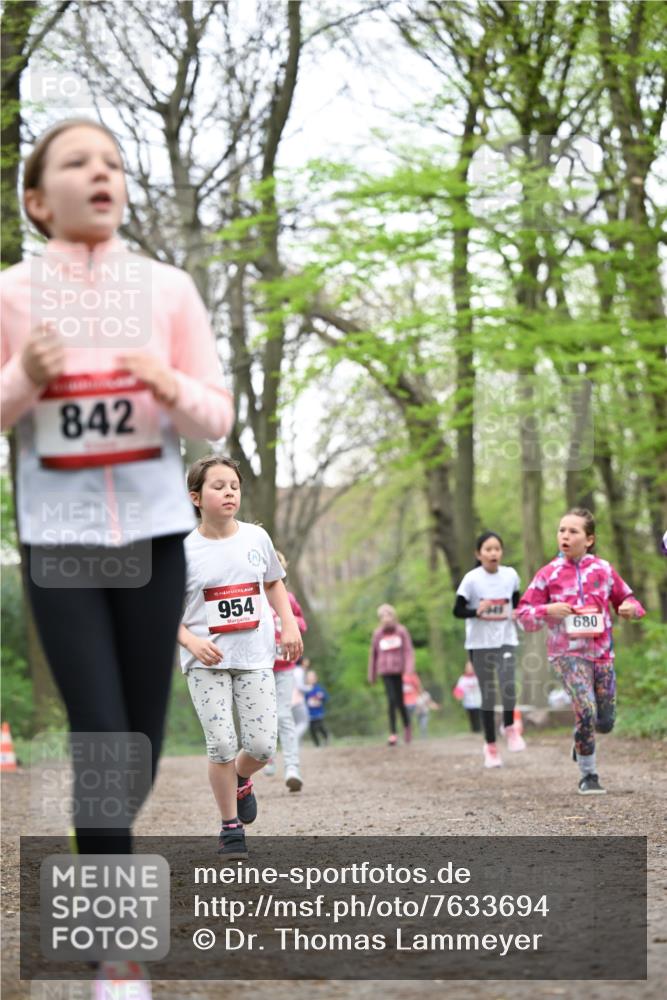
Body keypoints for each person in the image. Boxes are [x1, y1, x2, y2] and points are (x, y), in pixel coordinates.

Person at [0, 119, 234, 999]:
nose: (100, 172)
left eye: (112, 162)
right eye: (75, 162)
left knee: (136, 744)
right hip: (58, 546)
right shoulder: (12, 293)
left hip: (150, 541)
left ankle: (94, 840)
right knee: (103, 741)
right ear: (37, 198)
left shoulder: (166, 291)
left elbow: (215, 414)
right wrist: (24, 374)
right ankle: (117, 954)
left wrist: (168, 385)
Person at [178, 456, 303, 857]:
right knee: (220, 744)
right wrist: (191, 643)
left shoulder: (255, 538)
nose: (229, 491)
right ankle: (230, 826)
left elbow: (274, 583)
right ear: (196, 497)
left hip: (254, 655)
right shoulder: (182, 552)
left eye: (234, 485)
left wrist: (289, 623)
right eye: (218, 486)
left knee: (264, 747)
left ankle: (241, 778)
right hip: (206, 661)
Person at [516, 508, 645, 795]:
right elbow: (523, 614)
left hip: (602, 654)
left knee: (605, 721)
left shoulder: (603, 569)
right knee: (585, 709)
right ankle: (589, 775)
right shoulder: (547, 575)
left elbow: (631, 601)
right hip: (566, 654)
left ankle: (581, 739)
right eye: (562, 530)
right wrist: (547, 609)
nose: (565, 535)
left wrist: (629, 609)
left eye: (573, 531)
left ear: (589, 539)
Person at [453, 532, 525, 767]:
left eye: (497, 549)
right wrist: (477, 611)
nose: (493, 553)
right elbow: (457, 611)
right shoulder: (472, 579)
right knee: (488, 694)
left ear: (501, 552)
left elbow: (517, 600)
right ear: (478, 554)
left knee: (508, 684)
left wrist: (516, 612)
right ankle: (491, 746)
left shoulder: (511, 575)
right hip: (480, 643)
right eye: (488, 549)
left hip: (505, 637)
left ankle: (509, 728)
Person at [265, 551, 307, 792]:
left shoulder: (288, 599)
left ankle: (292, 767)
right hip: (259, 667)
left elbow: (301, 621)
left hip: (285, 666)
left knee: (284, 714)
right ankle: (267, 756)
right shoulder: (257, 599)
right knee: (266, 717)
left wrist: (291, 625)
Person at [368, 604, 415, 746]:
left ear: (393, 616)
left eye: (388, 615)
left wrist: (408, 670)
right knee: (391, 700)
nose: (385, 618)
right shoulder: (377, 634)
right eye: (382, 616)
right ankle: (393, 733)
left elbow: (408, 651)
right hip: (385, 671)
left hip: (399, 671)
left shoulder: (401, 631)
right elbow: (373, 654)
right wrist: (372, 674)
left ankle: (407, 726)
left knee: (400, 701)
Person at [453, 660, 483, 733]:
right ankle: (474, 733)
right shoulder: (462, 679)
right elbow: (458, 689)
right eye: (467, 667)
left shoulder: (478, 677)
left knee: (479, 720)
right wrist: (458, 695)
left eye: (471, 667)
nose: (469, 668)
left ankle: (480, 733)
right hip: (468, 703)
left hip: (478, 703)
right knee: (472, 721)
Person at [305, 669, 329, 746]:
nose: (310, 679)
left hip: (318, 713)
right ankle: (317, 744)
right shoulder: (305, 690)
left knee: (319, 727)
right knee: (312, 730)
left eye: (312, 677)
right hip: (309, 714)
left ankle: (326, 737)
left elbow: (326, 698)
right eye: (309, 677)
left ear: (316, 678)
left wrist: (321, 697)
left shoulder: (319, 688)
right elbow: (303, 700)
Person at [291, 657, 311, 743]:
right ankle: (292, 739)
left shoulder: (292, 670)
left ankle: (296, 744)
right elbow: (300, 687)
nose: (308, 662)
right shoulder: (299, 671)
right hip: (297, 700)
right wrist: (309, 688)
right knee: (304, 722)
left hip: (290, 701)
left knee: (296, 723)